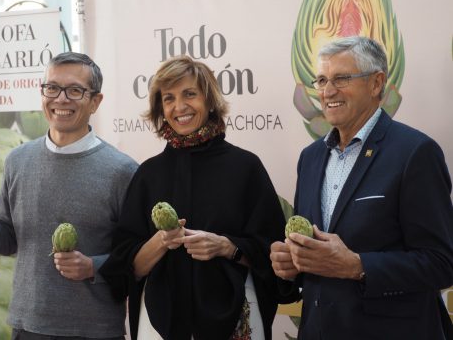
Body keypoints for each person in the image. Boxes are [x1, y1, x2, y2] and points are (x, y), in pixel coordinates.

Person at [99, 55, 298, 340]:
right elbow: (126, 270)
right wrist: (161, 241)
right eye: (168, 98)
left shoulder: (246, 168)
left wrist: (227, 247)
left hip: (237, 315)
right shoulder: (148, 174)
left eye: (189, 94)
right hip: (159, 324)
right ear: (160, 107)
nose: (179, 107)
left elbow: (276, 256)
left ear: (209, 99)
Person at [270, 36, 453, 339]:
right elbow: (314, 253)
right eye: (321, 80)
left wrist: (357, 265)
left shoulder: (416, 153)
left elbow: (442, 264)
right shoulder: (311, 158)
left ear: (376, 83)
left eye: (342, 78)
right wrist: (292, 264)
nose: (328, 92)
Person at [0, 52, 138, 339]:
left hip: (95, 331)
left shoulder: (122, 171)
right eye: (51, 88)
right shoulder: (17, 160)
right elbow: (9, 241)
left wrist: (93, 266)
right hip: (27, 328)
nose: (60, 99)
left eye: (74, 90)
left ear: (95, 102)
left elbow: (136, 257)